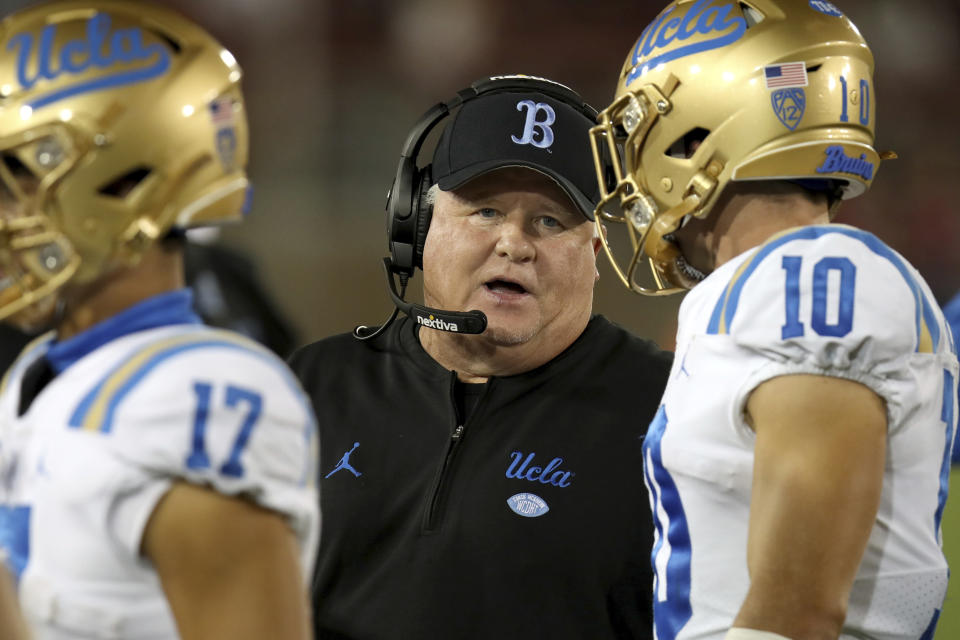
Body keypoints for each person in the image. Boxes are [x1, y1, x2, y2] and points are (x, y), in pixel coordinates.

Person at [588, 1, 958, 639]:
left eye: (644, 128)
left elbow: (796, 614)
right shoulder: (775, 280)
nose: (632, 165)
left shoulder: (810, 276)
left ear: (698, 135)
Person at [288, 75, 673, 639]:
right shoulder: (311, 385)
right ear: (416, 225)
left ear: (594, 254)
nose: (515, 244)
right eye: (485, 211)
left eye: (550, 220)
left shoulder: (669, 410)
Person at [0, 2, 318, 639]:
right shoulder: (40, 375)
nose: (4, 216)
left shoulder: (193, 401)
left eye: (15, 183)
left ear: (125, 185)